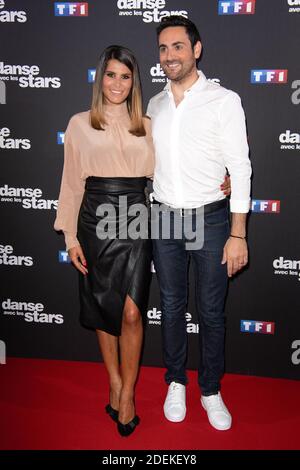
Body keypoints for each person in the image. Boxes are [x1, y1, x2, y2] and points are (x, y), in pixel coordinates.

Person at [147, 16, 252, 431]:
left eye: (177, 46)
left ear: (196, 49)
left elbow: (240, 169)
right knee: (171, 307)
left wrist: (238, 233)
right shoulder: (153, 105)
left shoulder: (224, 101)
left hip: (211, 219)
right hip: (164, 218)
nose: (169, 55)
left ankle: (210, 389)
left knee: (210, 313)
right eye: (162, 48)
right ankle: (175, 382)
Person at [54, 45, 155, 437]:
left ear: (134, 83)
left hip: (135, 217)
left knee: (131, 312)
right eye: (110, 75)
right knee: (102, 306)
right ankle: (113, 381)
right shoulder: (80, 123)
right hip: (94, 218)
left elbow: (173, 170)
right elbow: (70, 181)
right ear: (100, 79)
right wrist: (70, 236)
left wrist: (222, 178)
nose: (117, 83)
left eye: (125, 76)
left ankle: (127, 393)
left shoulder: (147, 124)